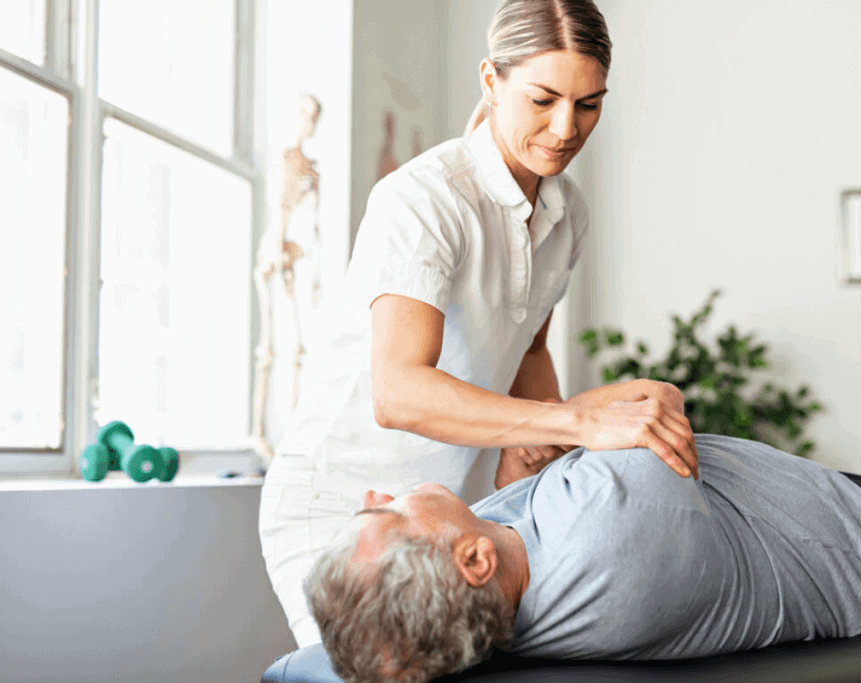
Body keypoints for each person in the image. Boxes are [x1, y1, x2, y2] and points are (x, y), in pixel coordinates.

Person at [259, 0, 700, 648]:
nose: (565, 128)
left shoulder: (567, 212)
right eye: (542, 100)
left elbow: (530, 352)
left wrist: (549, 470)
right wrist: (577, 422)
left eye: (588, 105)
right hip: (345, 504)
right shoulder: (423, 199)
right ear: (491, 80)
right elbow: (399, 391)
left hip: (451, 510)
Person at [305, 421, 861, 683]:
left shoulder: (478, 601)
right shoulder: (611, 526)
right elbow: (654, 406)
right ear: (471, 564)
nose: (377, 495)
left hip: (833, 513)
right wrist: (550, 421)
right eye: (388, 515)